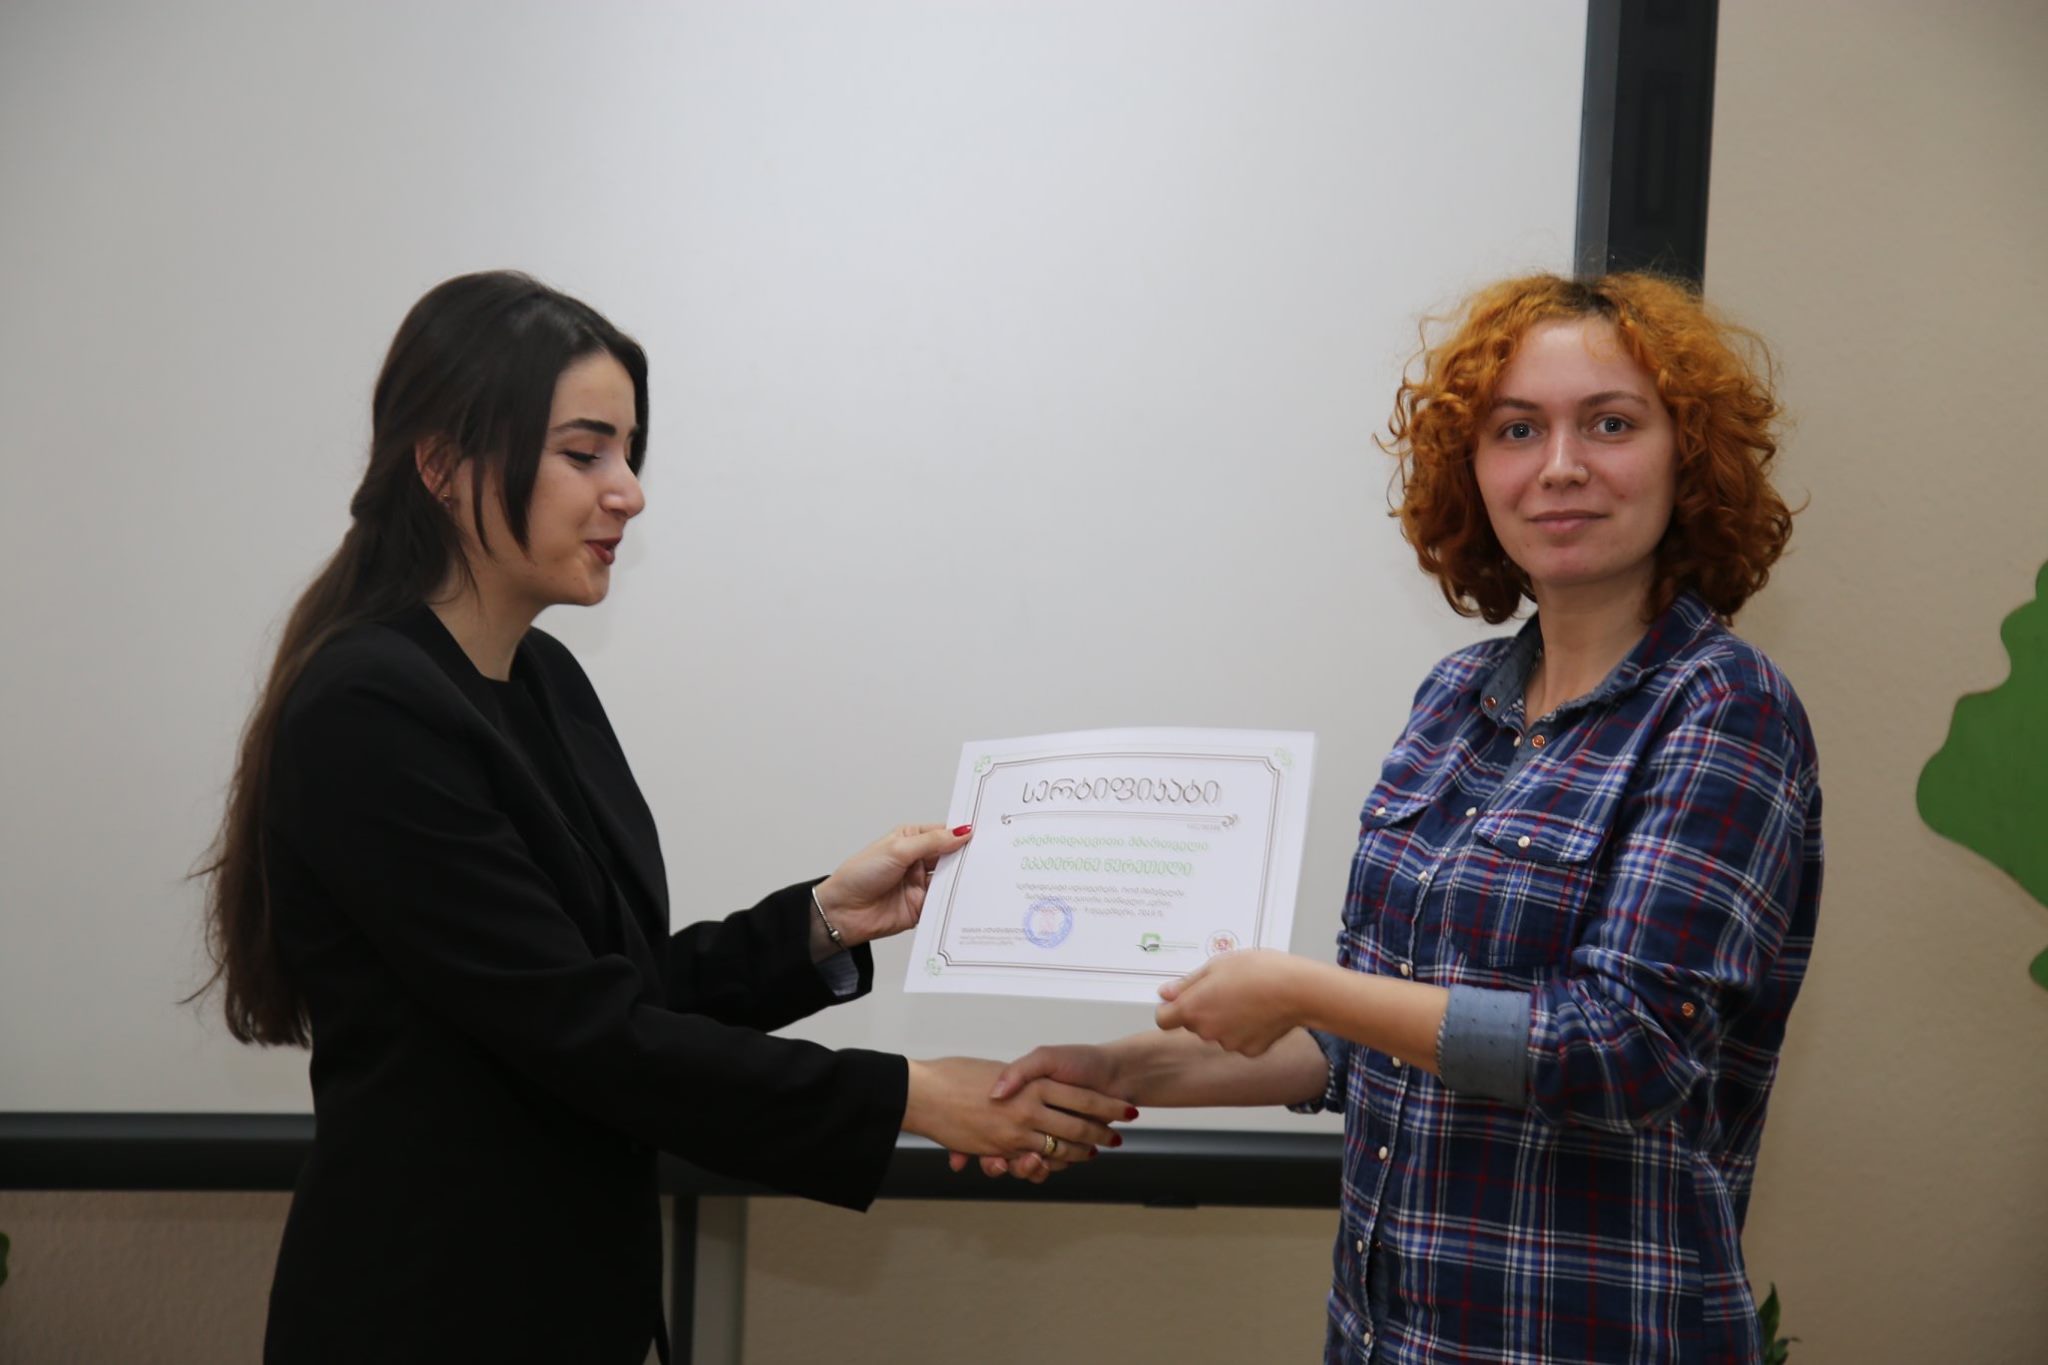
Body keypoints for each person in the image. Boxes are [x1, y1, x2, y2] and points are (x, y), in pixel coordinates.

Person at [195, 271, 1129, 1364]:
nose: (628, 492)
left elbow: (620, 991)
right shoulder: (368, 709)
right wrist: (913, 1095)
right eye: (584, 453)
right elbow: (583, 1033)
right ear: (441, 465)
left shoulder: (543, 681)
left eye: (629, 454)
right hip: (429, 1312)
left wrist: (823, 921)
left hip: (570, 1308)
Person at [968, 273, 1821, 1365]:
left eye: (1610, 424)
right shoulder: (1454, 699)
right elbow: (1362, 1039)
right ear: (1472, 469)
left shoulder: (1723, 705)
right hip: (1387, 1337)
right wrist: (1125, 1071)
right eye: (1517, 429)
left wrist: (1297, 986)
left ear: (1687, 458)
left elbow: (1625, 1049)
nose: (1560, 466)